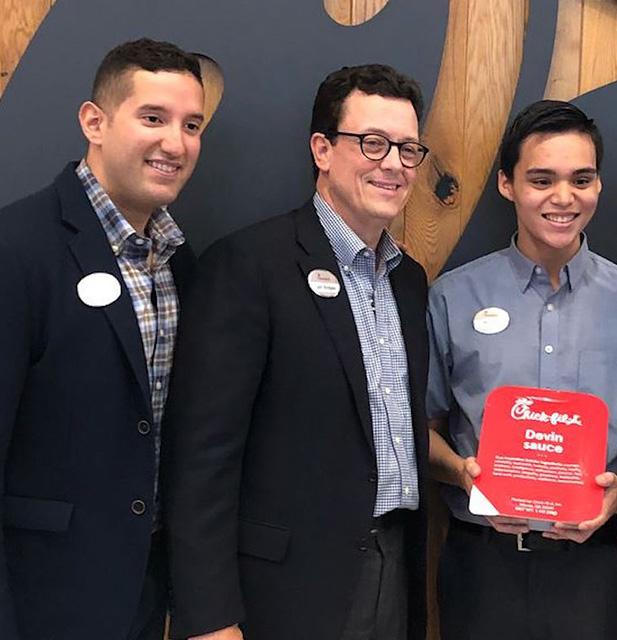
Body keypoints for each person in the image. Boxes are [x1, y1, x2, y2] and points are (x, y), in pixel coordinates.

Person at [0, 38, 206, 640]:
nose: (175, 143)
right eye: (152, 118)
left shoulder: (179, 265)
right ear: (94, 122)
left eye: (191, 125)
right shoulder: (3, 256)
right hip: (33, 606)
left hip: (139, 603)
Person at [163, 64, 430, 640]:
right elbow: (201, 457)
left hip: (393, 565)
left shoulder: (409, 281)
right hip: (285, 588)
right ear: (323, 149)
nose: (393, 164)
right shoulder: (250, 266)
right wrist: (209, 616)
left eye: (409, 150)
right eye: (374, 143)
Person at [425, 100, 617, 640]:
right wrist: (464, 475)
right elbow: (423, 431)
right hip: (481, 565)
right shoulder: (453, 296)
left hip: (592, 570)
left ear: (599, 185)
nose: (564, 198)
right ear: (507, 185)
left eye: (581, 179)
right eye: (542, 179)